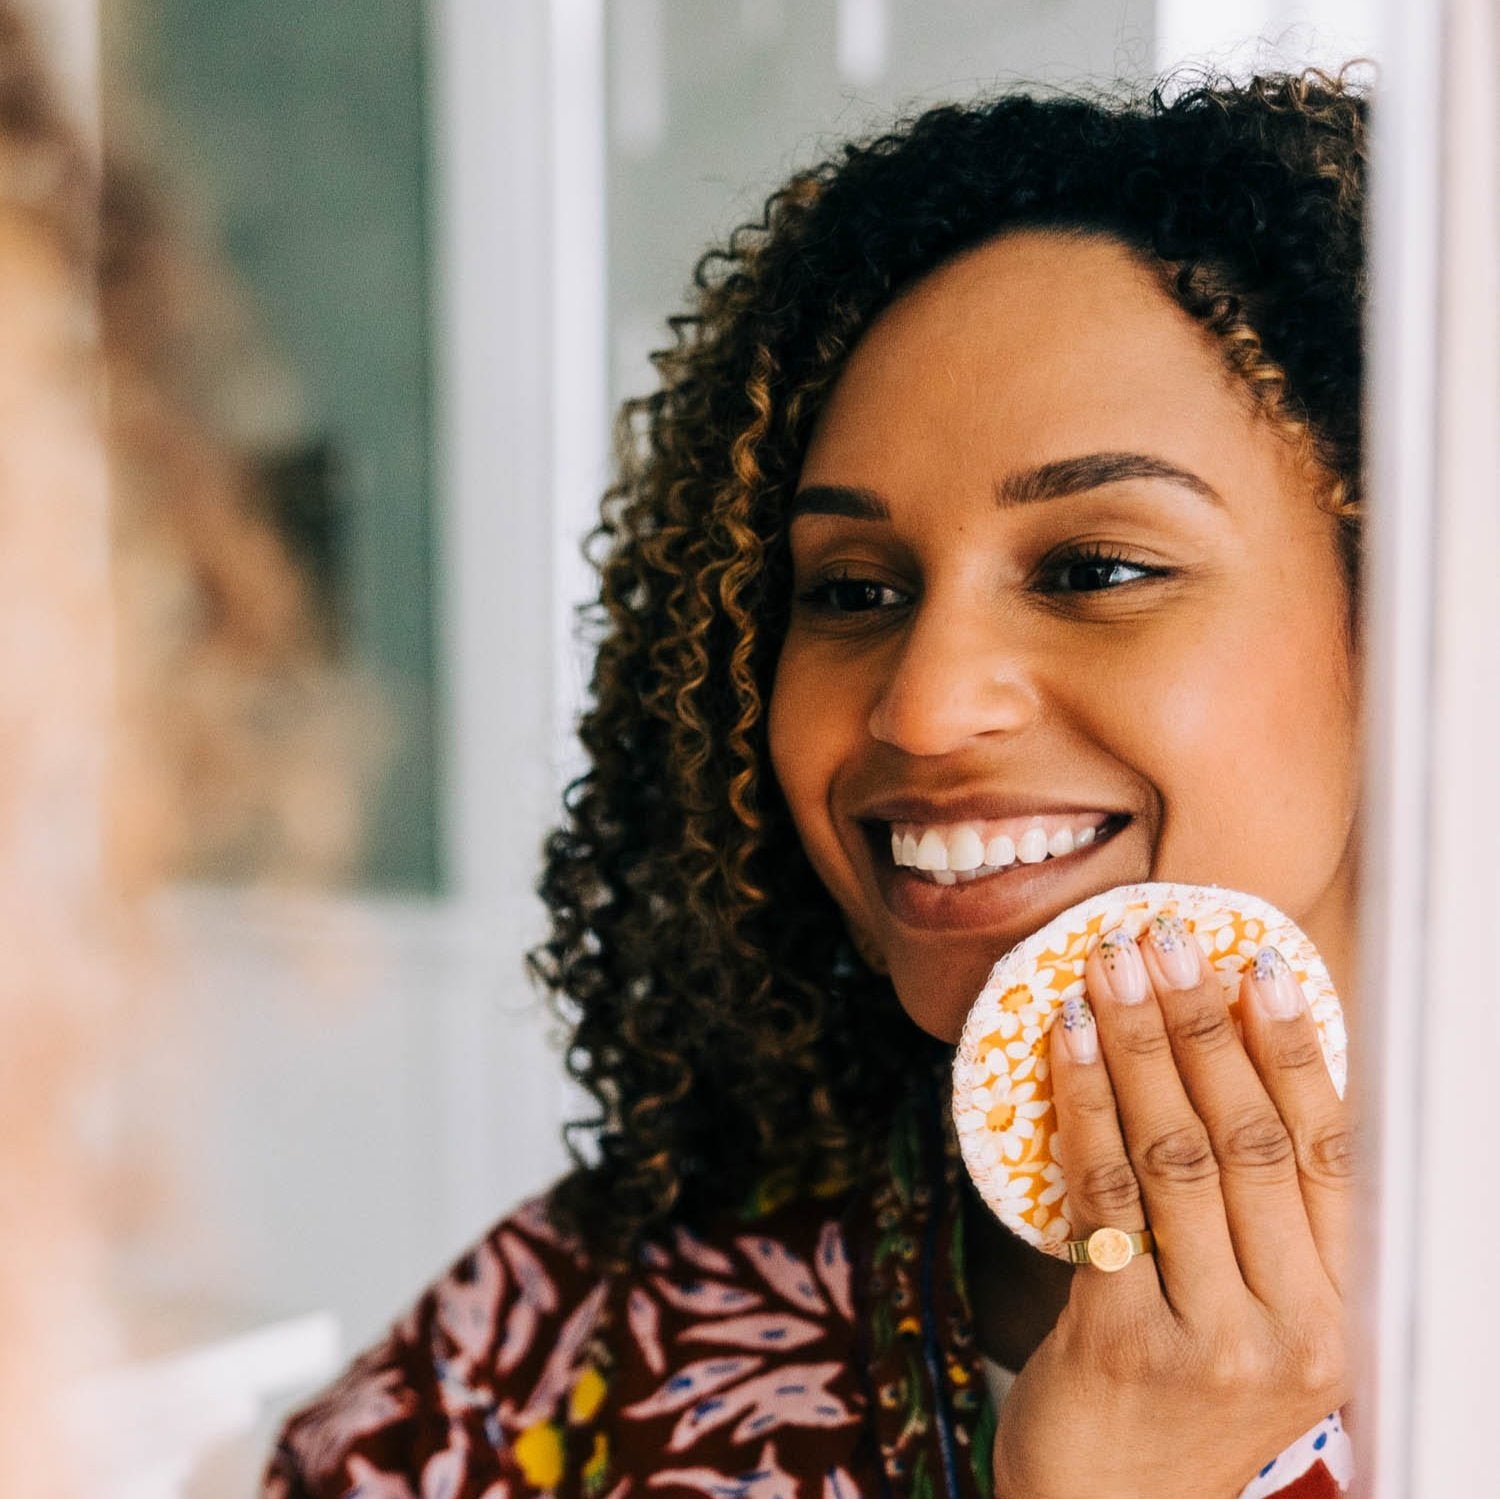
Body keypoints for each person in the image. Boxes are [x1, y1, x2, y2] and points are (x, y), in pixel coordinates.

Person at [264, 70, 1365, 1498]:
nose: (920, 702)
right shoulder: (562, 1338)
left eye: (1097, 570)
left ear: (1415, 624)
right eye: (851, 589)